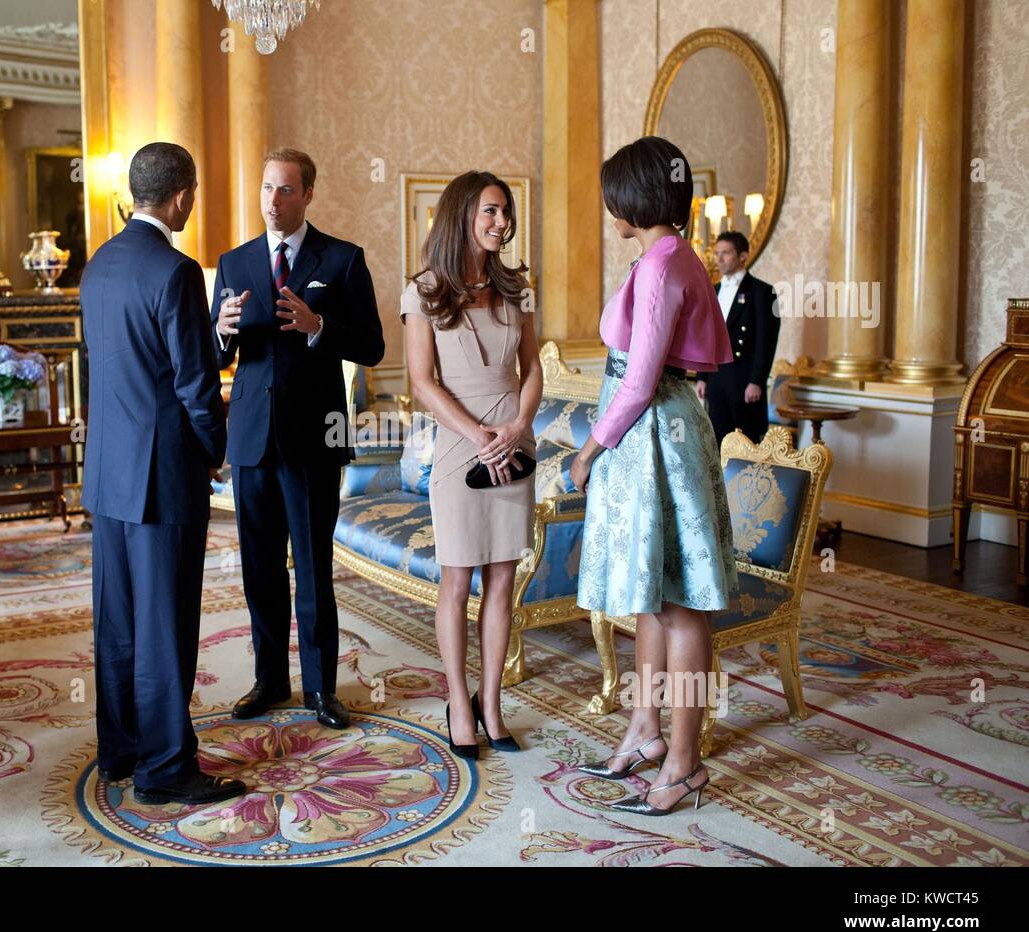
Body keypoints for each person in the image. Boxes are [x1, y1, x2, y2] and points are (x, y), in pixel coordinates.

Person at [569, 136, 739, 815]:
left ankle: (685, 763)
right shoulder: (665, 255)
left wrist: (590, 451)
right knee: (651, 593)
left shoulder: (663, 265)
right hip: (654, 434)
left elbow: (638, 380)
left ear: (635, 196)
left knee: (680, 602)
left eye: (614, 191)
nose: (609, 203)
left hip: (654, 435)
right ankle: (645, 732)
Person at [80, 142, 245, 806]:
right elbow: (195, 386)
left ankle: (120, 751)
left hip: (109, 475)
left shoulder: (98, 267)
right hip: (164, 476)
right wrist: (215, 449)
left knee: (118, 621)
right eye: (195, 193)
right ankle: (166, 770)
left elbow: (127, 365)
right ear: (181, 197)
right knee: (166, 626)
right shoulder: (176, 272)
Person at [212, 147, 384, 730]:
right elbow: (219, 354)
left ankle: (320, 690)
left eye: (285, 190)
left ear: (308, 194)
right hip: (252, 443)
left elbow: (373, 346)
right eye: (266, 188)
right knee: (259, 568)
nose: (273, 201)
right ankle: (268, 681)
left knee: (311, 569)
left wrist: (320, 328)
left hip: (314, 440)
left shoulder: (341, 259)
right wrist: (221, 332)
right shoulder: (232, 263)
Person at [401, 171, 539, 760]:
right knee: (458, 579)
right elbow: (421, 382)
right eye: (489, 211)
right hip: (461, 443)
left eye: (505, 211)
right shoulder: (423, 290)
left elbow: (533, 369)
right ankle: (459, 701)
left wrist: (514, 427)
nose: (500, 222)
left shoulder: (518, 289)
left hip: (513, 436)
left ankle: (492, 703)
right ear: (462, 214)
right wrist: (477, 434)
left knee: (504, 576)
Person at [695, 230, 780, 447]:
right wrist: (702, 376)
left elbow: (766, 342)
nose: (719, 259)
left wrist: (756, 381)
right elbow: (707, 336)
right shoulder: (712, 290)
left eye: (726, 253)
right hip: (717, 377)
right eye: (717, 253)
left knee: (747, 443)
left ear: (743, 256)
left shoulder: (763, 292)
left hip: (744, 380)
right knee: (718, 440)